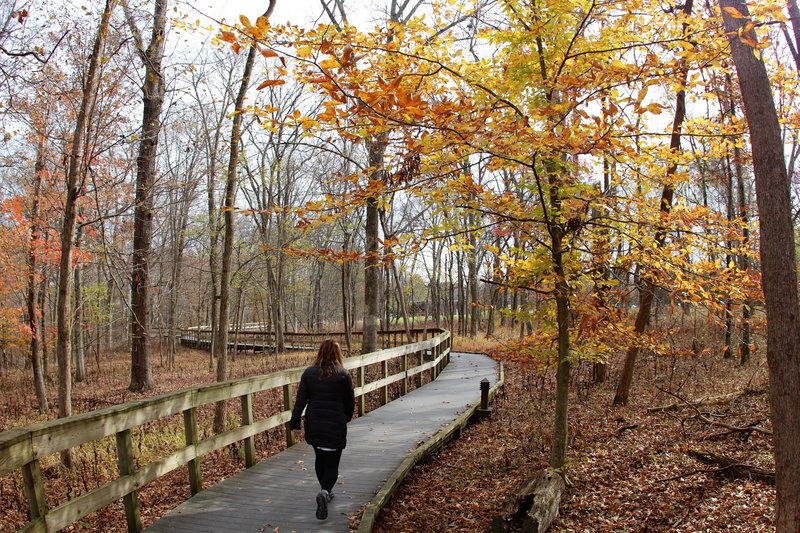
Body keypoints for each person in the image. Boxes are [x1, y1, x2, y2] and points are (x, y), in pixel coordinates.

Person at [289, 339, 355, 520]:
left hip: (315, 425)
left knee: (320, 459)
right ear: (337, 354)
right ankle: (325, 492)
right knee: (333, 463)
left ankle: (324, 491)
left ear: (319, 352)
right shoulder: (343, 374)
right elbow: (350, 403)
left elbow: (300, 401)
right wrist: (345, 419)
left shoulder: (309, 373)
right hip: (335, 424)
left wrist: (294, 422)